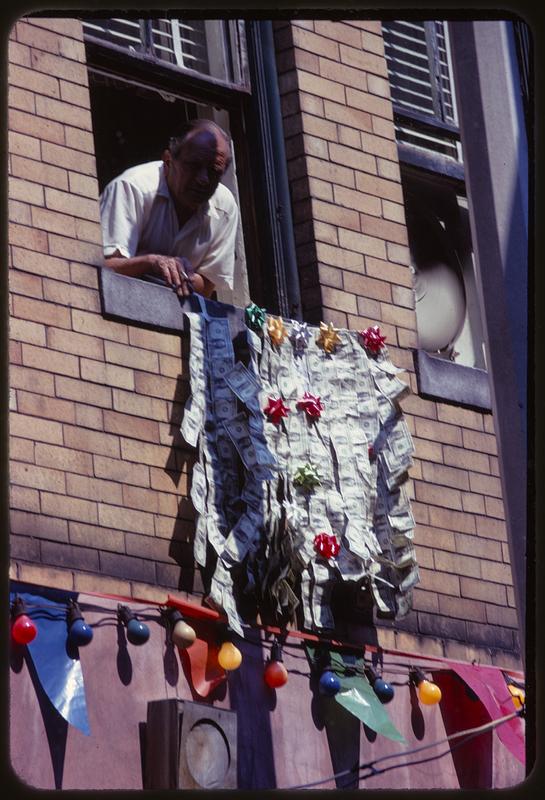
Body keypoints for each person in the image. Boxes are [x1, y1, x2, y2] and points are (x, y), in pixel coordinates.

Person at [99, 119, 239, 299]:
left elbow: (207, 287)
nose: (203, 179)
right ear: (168, 161)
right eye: (194, 166)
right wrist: (152, 263)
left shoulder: (225, 207)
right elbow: (103, 270)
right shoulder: (131, 188)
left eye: (214, 171)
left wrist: (165, 271)